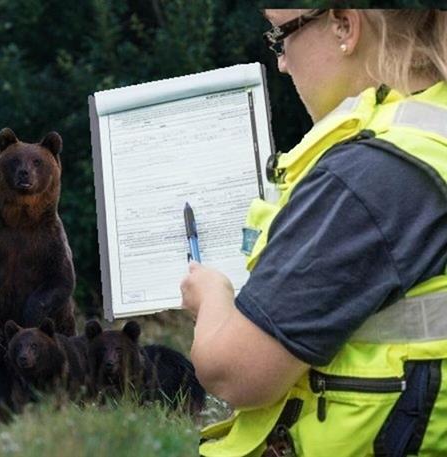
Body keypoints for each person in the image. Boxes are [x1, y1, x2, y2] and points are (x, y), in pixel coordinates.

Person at [180, 9, 447, 456]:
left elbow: (235, 372)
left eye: (281, 35)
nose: (282, 62)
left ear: (345, 25)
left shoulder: (367, 178)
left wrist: (211, 296)